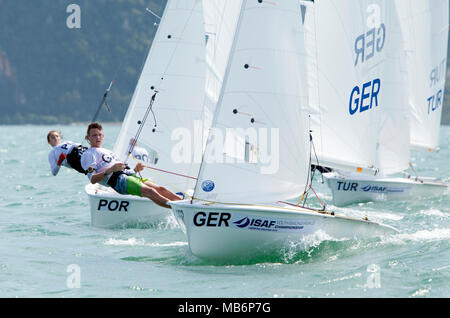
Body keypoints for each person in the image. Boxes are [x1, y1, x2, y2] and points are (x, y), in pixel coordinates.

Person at [81, 122, 181, 209]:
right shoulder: (89, 154)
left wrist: (135, 170)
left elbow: (122, 170)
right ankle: (179, 209)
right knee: (150, 191)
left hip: (129, 176)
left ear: (103, 136)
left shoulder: (108, 151)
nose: (97, 137)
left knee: (161, 189)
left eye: (99, 135)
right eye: (94, 135)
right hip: (119, 181)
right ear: (87, 138)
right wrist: (110, 170)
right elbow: (93, 179)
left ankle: (183, 203)